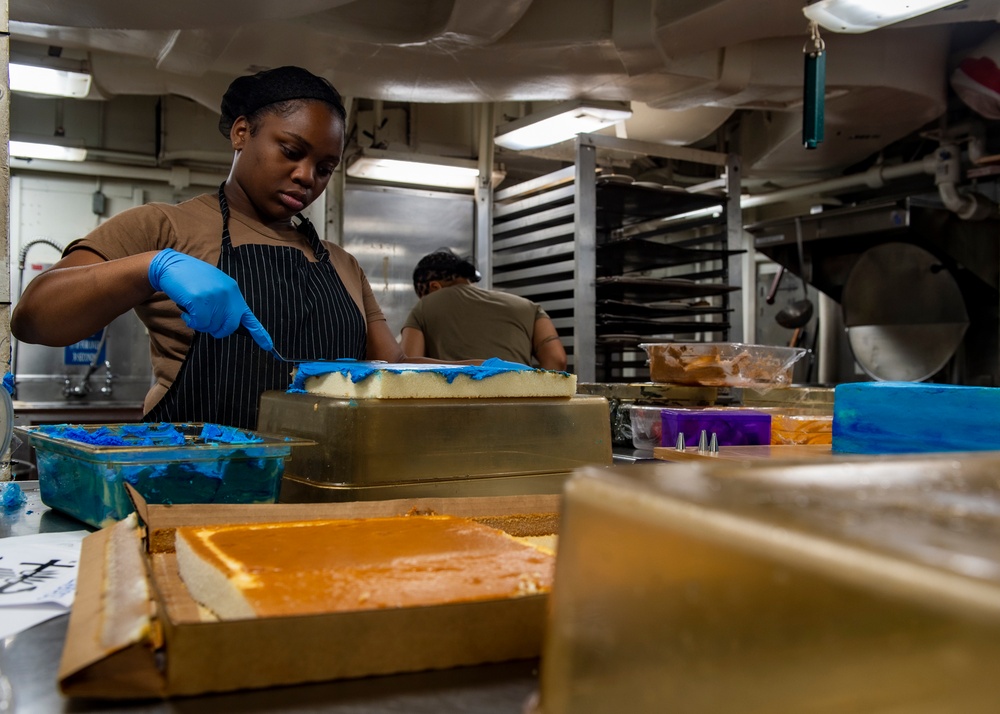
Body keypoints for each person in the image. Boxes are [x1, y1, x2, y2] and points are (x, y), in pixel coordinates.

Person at [11, 66, 431, 430]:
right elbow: (33, 318)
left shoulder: (343, 265)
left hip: (319, 494)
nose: (307, 177)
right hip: (193, 487)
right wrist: (152, 268)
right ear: (242, 132)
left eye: (324, 169)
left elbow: (389, 376)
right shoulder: (164, 227)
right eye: (291, 151)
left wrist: (476, 377)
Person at [400, 250, 568, 371]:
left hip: (455, 413)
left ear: (434, 287)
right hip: (519, 410)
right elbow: (557, 361)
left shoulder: (424, 306)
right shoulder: (528, 307)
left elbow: (406, 369)